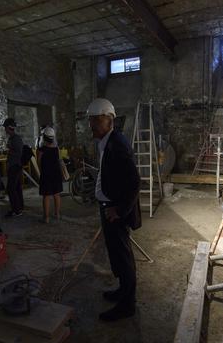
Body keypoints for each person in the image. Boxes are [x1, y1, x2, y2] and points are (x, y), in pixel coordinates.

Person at [87, 98, 141, 321]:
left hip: (115, 210)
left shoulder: (117, 143)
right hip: (108, 206)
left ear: (109, 119)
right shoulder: (107, 141)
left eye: (96, 121)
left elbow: (135, 182)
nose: (91, 125)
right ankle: (122, 290)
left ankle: (127, 304)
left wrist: (119, 209)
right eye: (90, 121)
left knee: (122, 255)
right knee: (115, 254)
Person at [37, 127, 63, 223]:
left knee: (46, 196)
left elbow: (39, 162)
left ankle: (46, 218)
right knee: (57, 194)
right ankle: (57, 214)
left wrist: (41, 171)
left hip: (46, 173)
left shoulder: (41, 150)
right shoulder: (56, 149)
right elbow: (58, 160)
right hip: (56, 173)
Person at [3, 118, 24, 218]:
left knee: (11, 189)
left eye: (5, 128)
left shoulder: (16, 139)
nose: (5, 130)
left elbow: (18, 153)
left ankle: (16, 210)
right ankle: (20, 207)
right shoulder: (12, 138)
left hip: (15, 166)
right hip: (13, 165)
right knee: (16, 187)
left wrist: (8, 151)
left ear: (9, 128)